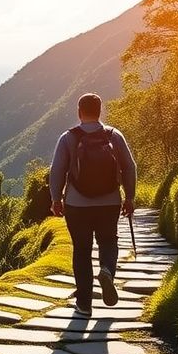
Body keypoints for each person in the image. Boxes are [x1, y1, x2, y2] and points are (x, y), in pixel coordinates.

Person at [49, 92, 137, 315]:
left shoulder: (68, 138)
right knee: (108, 241)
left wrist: (56, 199)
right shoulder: (114, 136)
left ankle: (84, 304)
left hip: (77, 205)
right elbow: (129, 167)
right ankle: (106, 270)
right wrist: (129, 197)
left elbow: (57, 170)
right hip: (109, 203)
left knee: (82, 250)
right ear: (100, 110)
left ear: (79, 112)